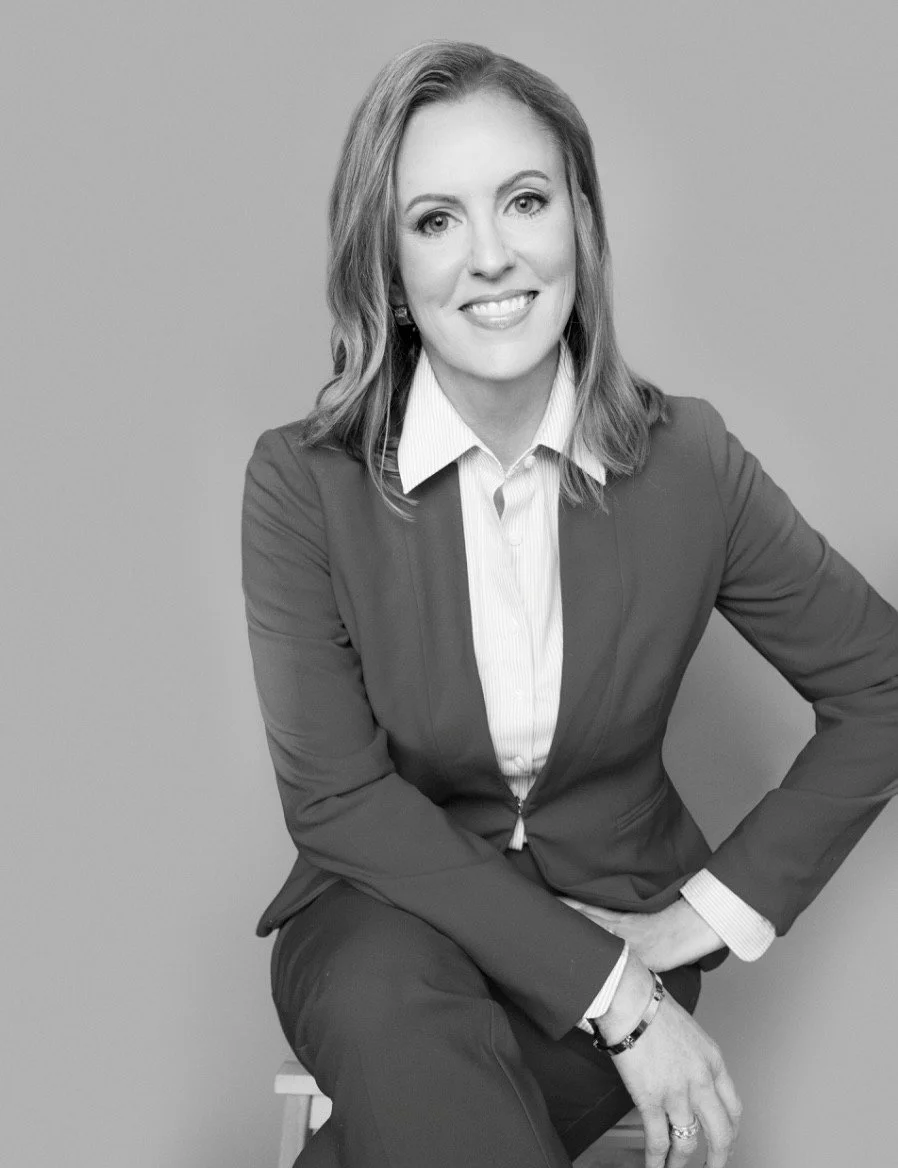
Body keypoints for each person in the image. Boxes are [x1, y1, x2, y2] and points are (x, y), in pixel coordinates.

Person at [241, 40, 898, 1168]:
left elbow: (879, 684)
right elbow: (339, 797)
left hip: (620, 911)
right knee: (389, 1007)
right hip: (379, 922)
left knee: (409, 1119)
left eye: (525, 201)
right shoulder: (306, 482)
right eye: (436, 220)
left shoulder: (687, 460)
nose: (491, 257)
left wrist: (698, 919)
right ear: (390, 273)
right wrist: (621, 999)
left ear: (580, 229)